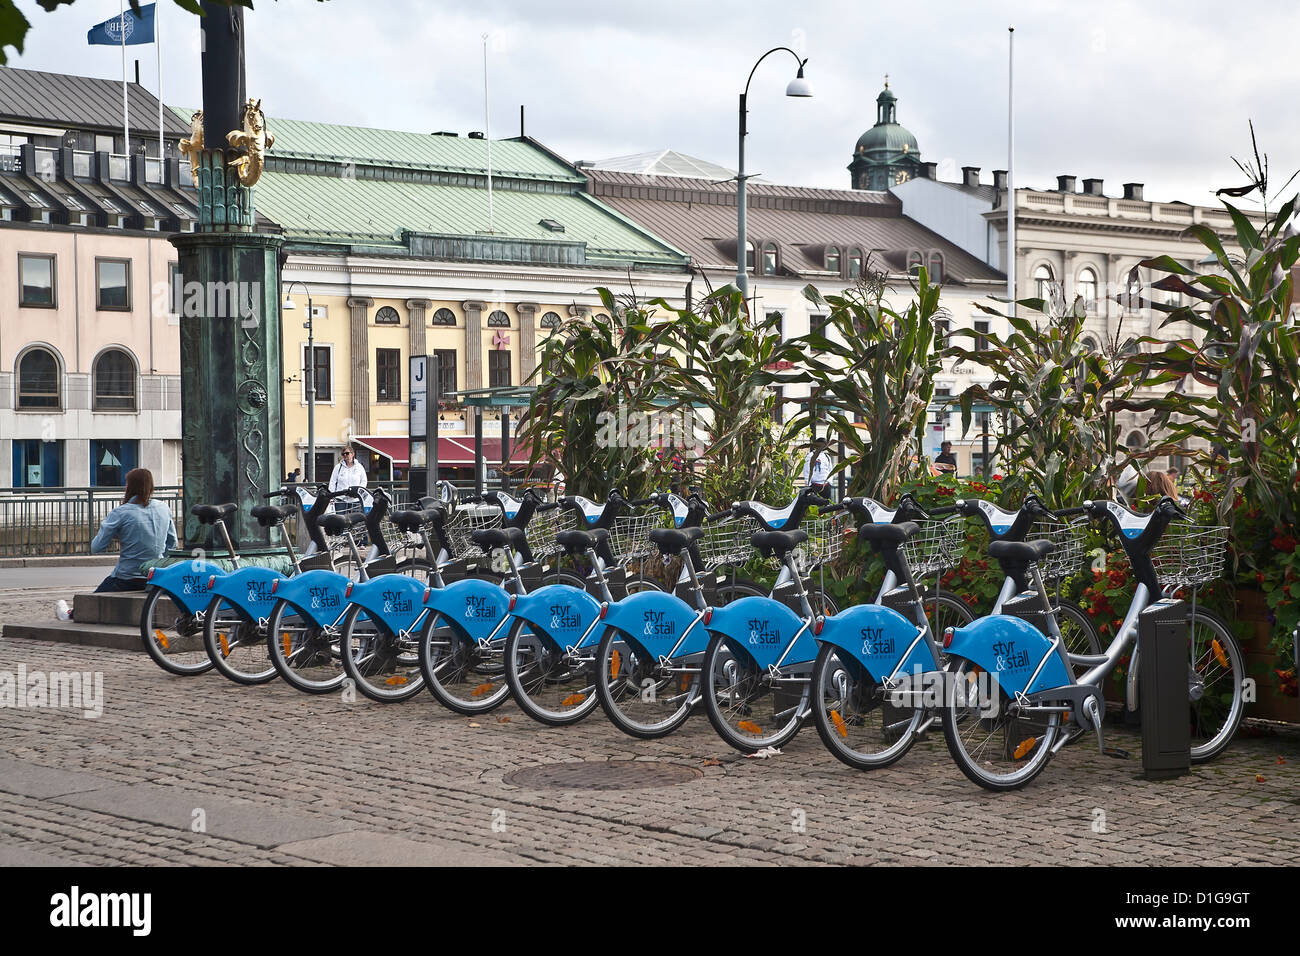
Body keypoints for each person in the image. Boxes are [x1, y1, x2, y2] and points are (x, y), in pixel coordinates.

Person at [55, 468, 178, 621]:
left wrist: (114, 532)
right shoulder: (163, 508)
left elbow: (96, 547)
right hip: (153, 577)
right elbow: (172, 543)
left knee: (90, 602)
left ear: (129, 487)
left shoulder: (121, 512)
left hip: (126, 578)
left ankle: (71, 614)